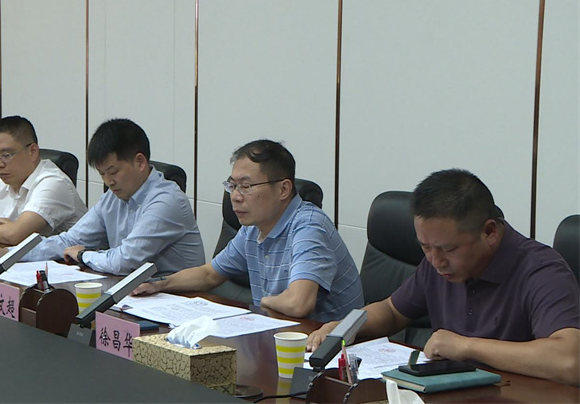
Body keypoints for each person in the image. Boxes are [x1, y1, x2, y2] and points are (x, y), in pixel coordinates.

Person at [307, 169, 580, 385]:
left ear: (489, 232)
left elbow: (570, 361)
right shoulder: (438, 261)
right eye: (425, 247)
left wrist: (467, 347)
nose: (435, 261)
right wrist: (345, 327)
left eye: (448, 249)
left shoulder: (541, 271)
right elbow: (392, 311)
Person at [133, 140, 363, 321]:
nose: (235, 196)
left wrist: (263, 301)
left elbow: (298, 303)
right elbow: (209, 274)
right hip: (278, 333)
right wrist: (160, 284)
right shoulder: (253, 228)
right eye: (232, 186)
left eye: (246, 186)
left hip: (331, 350)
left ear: (283, 189)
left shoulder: (309, 227)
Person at [0, 118, 205, 276]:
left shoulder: (166, 200)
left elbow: (125, 260)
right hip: (135, 293)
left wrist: (84, 255)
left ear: (140, 162)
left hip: (179, 299)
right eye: (102, 174)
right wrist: (12, 254)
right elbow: (69, 241)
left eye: (113, 172)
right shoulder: (113, 198)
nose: (108, 181)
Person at [0, 116, 86, 245]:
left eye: (6, 155)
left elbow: (14, 235)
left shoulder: (53, 183)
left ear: (33, 151)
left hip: (69, 260)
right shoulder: (3, 184)